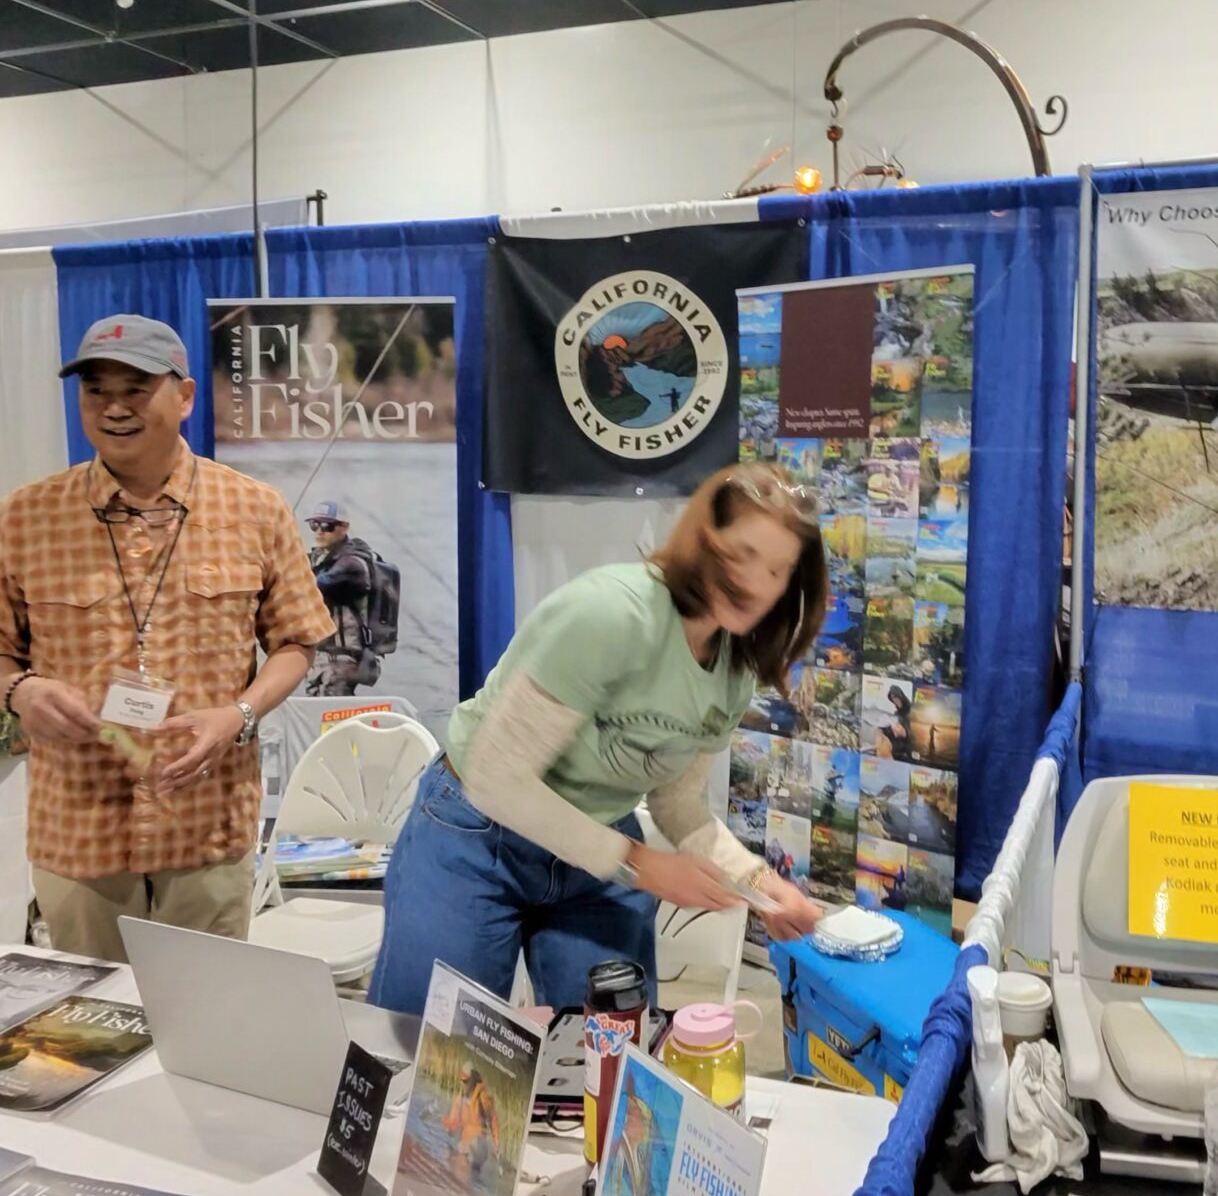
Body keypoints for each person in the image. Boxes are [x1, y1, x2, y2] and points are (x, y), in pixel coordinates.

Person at [368, 465, 828, 1017]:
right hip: (478, 834)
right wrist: (641, 864)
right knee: (429, 1040)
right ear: (704, 539)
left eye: (777, 569)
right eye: (744, 552)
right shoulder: (612, 613)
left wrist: (760, 884)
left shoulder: (734, 672)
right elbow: (496, 779)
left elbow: (677, 803)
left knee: (614, 1040)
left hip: (598, 851)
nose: (756, 581)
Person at [0, 315, 333, 960]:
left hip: (206, 827)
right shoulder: (25, 516)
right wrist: (21, 691)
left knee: (209, 1011)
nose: (114, 408)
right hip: (79, 831)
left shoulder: (255, 509)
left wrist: (238, 714)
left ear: (184, 397)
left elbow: (297, 642)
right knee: (94, 1020)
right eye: (96, 391)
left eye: (136, 388)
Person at [304, 502, 382, 696]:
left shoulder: (352, 564)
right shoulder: (323, 559)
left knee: (331, 710)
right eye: (314, 525)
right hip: (322, 657)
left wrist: (288, 572)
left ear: (344, 527)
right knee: (318, 709)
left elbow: (314, 584)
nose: (320, 531)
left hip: (342, 659)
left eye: (327, 526)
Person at [444, 1063, 501, 1184]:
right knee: (450, 1162)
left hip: (478, 1144)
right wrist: (449, 1127)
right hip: (464, 1145)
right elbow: (452, 1122)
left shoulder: (483, 1098)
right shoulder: (460, 1098)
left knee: (464, 1170)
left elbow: (493, 1119)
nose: (463, 1084)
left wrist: (496, 1142)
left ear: (473, 1080)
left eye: (466, 1081)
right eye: (462, 1080)